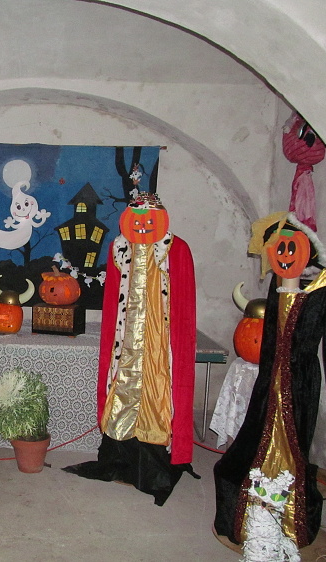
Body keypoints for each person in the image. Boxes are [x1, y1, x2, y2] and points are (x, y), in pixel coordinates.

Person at [213, 212, 326, 549]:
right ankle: (255, 496)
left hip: (302, 377)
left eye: (291, 248)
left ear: (309, 249)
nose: (284, 254)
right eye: (278, 249)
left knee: (295, 440)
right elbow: (271, 335)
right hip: (271, 375)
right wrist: (266, 371)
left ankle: (287, 507)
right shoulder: (279, 279)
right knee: (257, 433)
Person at [63, 192, 197, 505]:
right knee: (122, 388)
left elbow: (183, 304)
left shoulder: (176, 249)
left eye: (149, 220)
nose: (142, 225)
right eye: (136, 220)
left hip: (158, 343)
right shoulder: (119, 248)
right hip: (125, 341)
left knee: (156, 392)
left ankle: (152, 460)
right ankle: (120, 455)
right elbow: (113, 300)